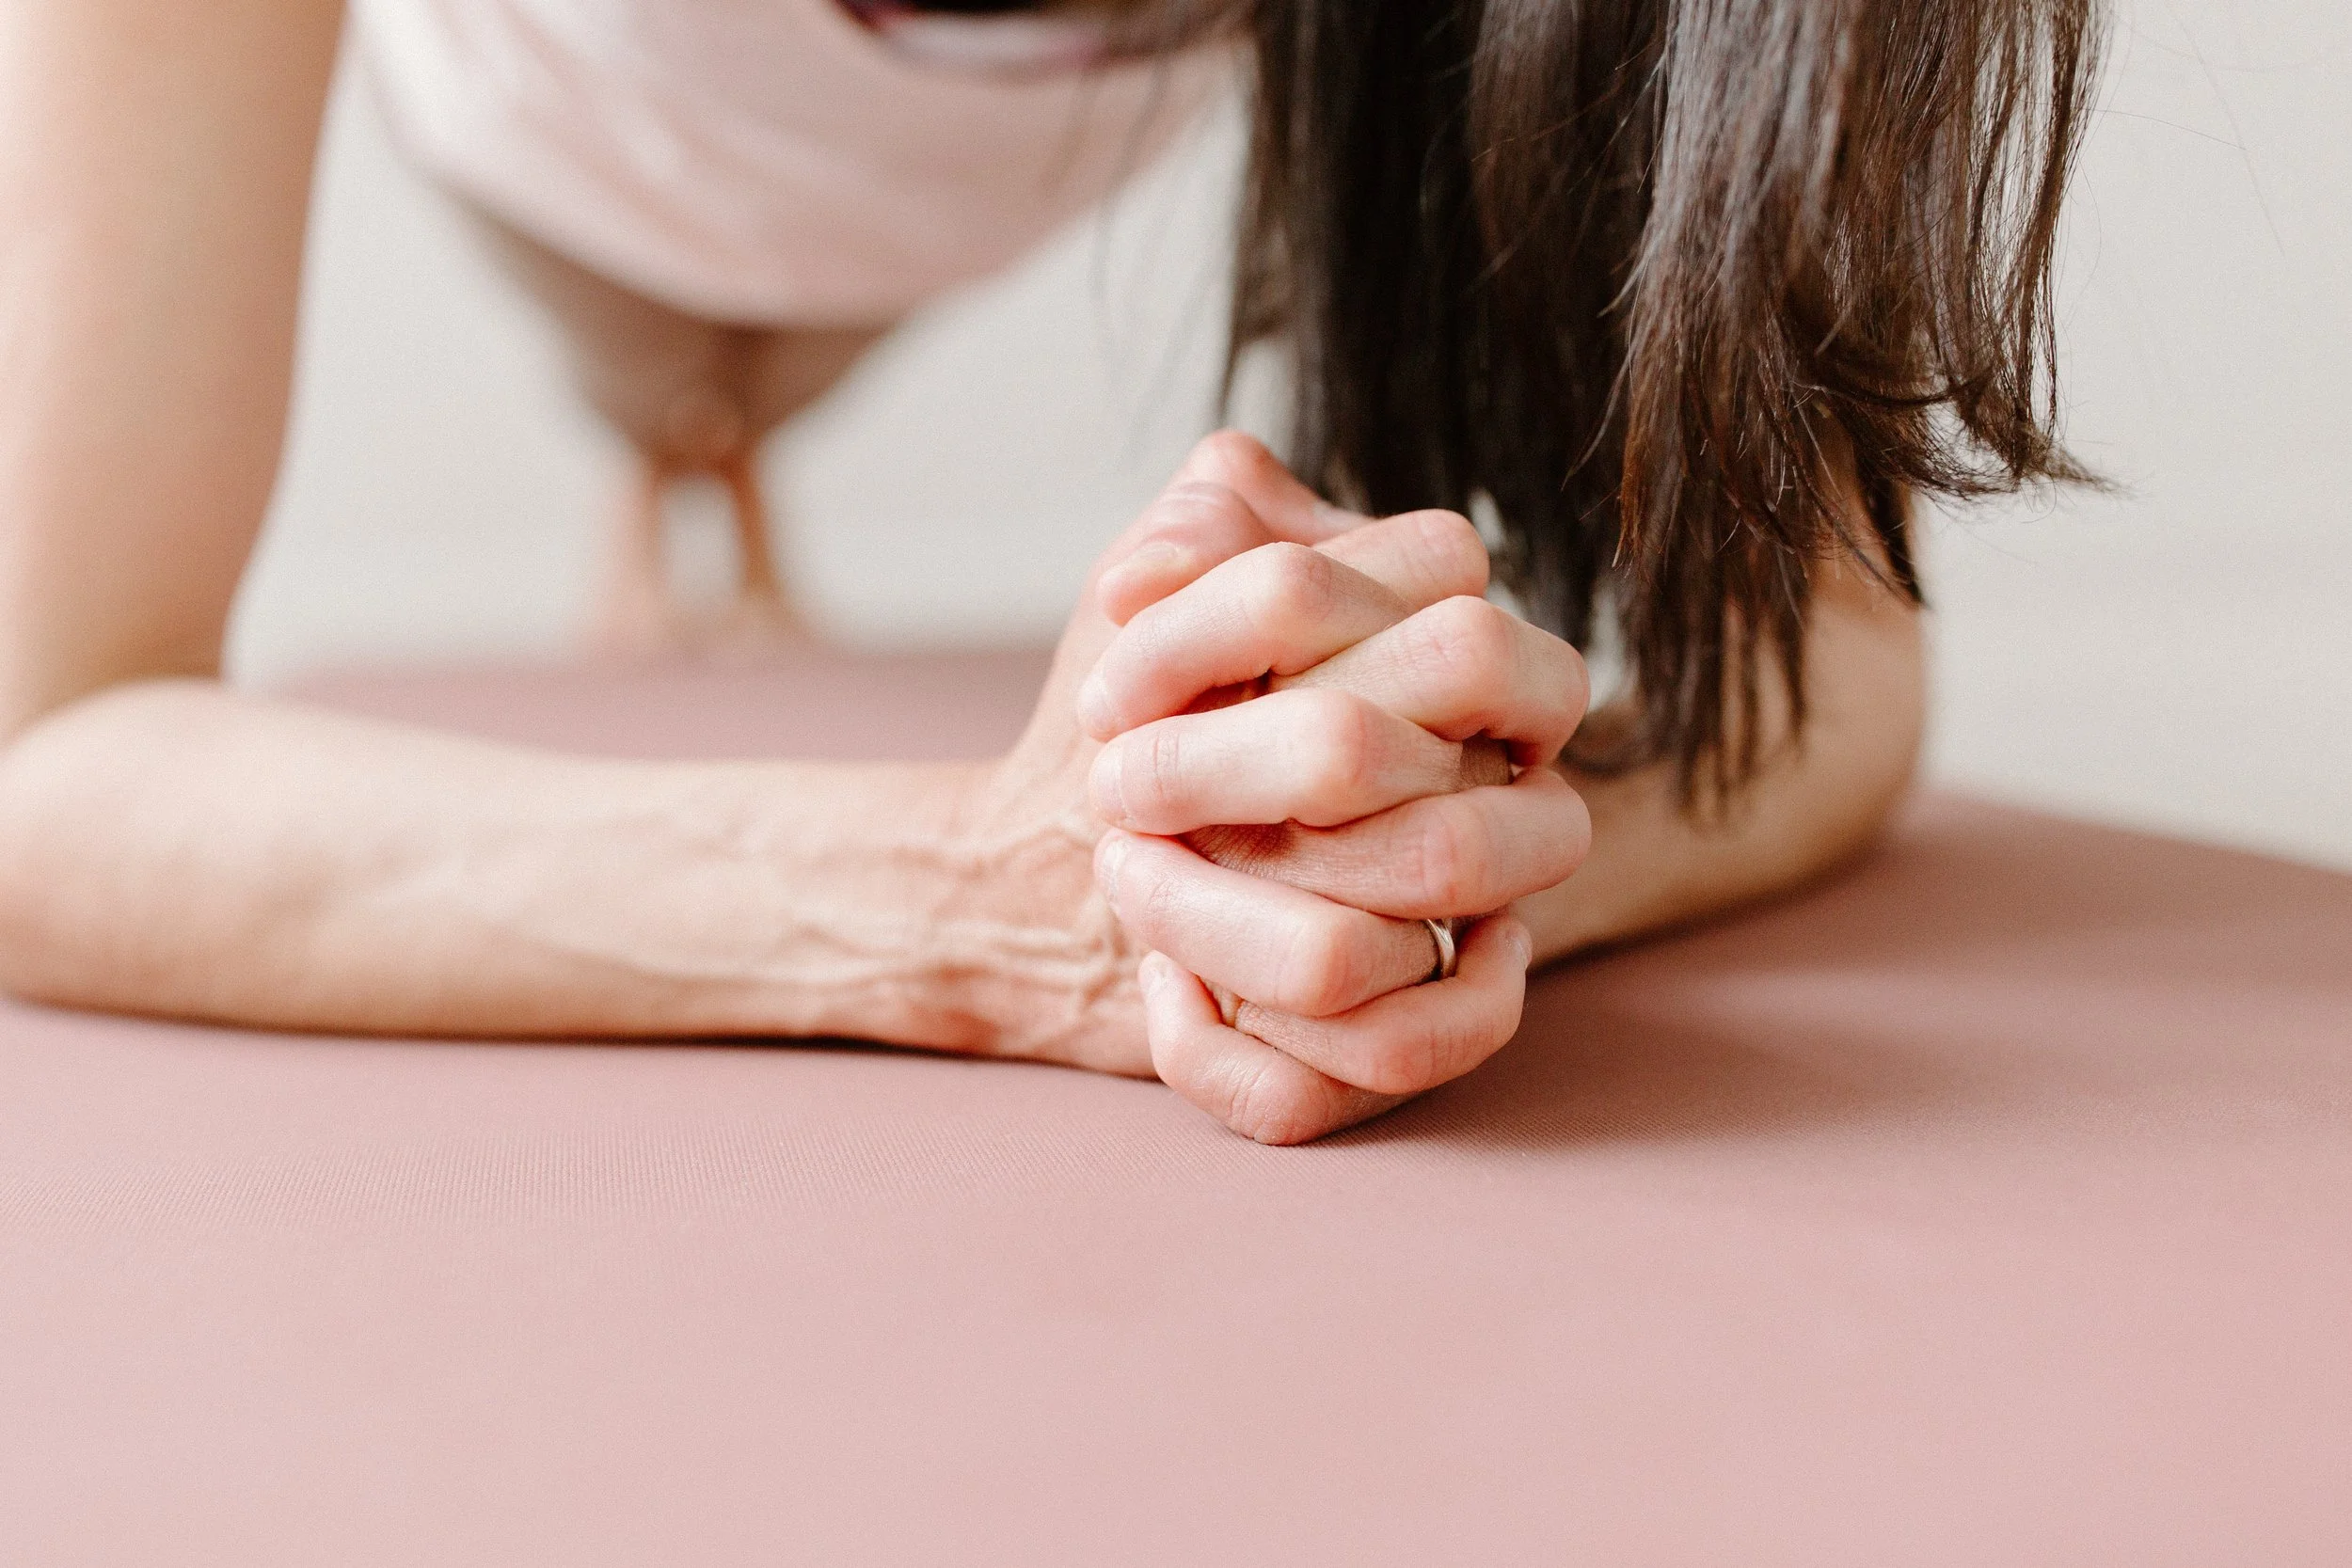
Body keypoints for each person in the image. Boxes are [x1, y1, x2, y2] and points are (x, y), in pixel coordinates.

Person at [0, 0, 2099, 1143]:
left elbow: (1829, 675)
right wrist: (988, 896)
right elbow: (40, 753)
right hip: (556, 139)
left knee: (755, 385)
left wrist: (1380, 860)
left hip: (936, 175)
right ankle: (683, 480)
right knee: (675, 386)